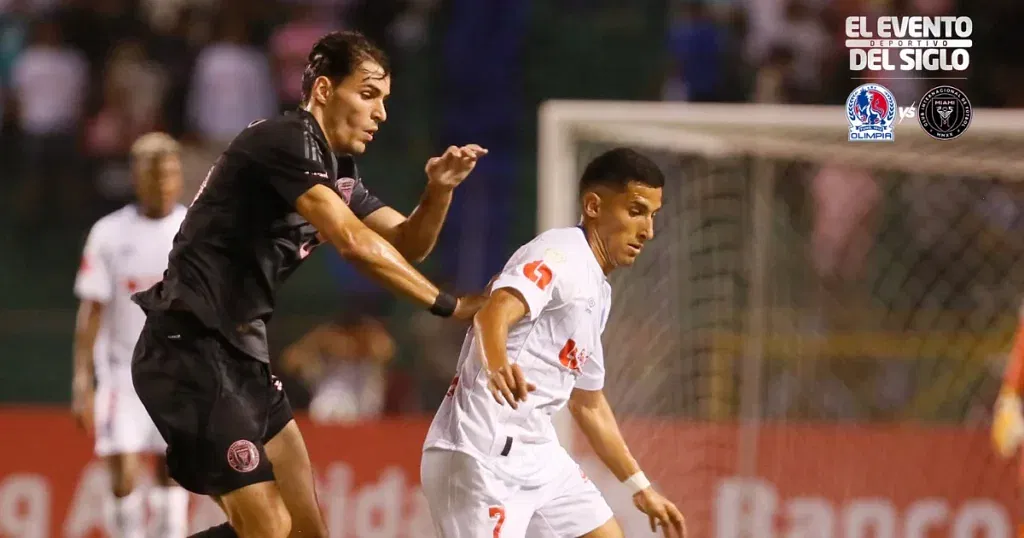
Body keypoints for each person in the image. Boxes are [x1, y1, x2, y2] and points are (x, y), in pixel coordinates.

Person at [130, 30, 487, 538]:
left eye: (384, 100)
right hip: (191, 346)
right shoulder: (287, 140)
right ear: (323, 89)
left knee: (306, 530)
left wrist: (439, 191)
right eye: (368, 94)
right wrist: (449, 305)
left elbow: (406, 243)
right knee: (270, 528)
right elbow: (354, 244)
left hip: (241, 355)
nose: (380, 113)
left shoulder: (336, 172)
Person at [421, 147, 687, 538]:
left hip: (538, 452)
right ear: (594, 205)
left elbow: (589, 403)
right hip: (481, 453)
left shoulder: (598, 289)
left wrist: (640, 488)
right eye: (635, 211)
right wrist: (497, 366)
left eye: (652, 215)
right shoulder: (558, 253)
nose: (647, 230)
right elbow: (492, 312)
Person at [72, 132, 190, 538]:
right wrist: (82, 378)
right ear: (136, 177)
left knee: (172, 473)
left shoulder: (191, 231)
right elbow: (91, 308)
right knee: (123, 472)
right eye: (153, 174)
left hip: (177, 370)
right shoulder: (109, 233)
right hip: (121, 372)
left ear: (178, 177)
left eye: (169, 173)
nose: (162, 182)